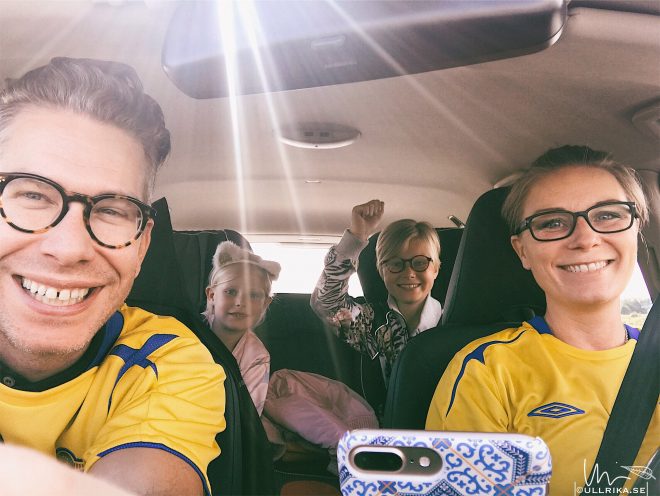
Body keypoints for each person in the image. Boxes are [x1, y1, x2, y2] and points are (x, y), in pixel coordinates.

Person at [0, 57, 226, 496]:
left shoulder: (167, 362)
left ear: (142, 246)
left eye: (111, 211)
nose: (70, 248)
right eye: (32, 194)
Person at [426, 145, 659, 493]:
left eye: (608, 215)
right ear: (523, 251)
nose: (585, 239)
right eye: (552, 223)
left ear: (636, 228)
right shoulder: (487, 371)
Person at [311, 199, 442, 384]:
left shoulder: (452, 322)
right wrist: (356, 236)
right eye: (395, 264)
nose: (409, 273)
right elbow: (326, 302)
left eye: (420, 263)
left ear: (435, 269)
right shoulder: (370, 322)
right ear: (382, 271)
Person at [203, 241, 280, 416]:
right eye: (230, 292)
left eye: (253, 295)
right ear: (212, 295)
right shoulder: (188, 330)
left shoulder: (257, 358)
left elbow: (248, 415)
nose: (240, 302)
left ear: (265, 304)